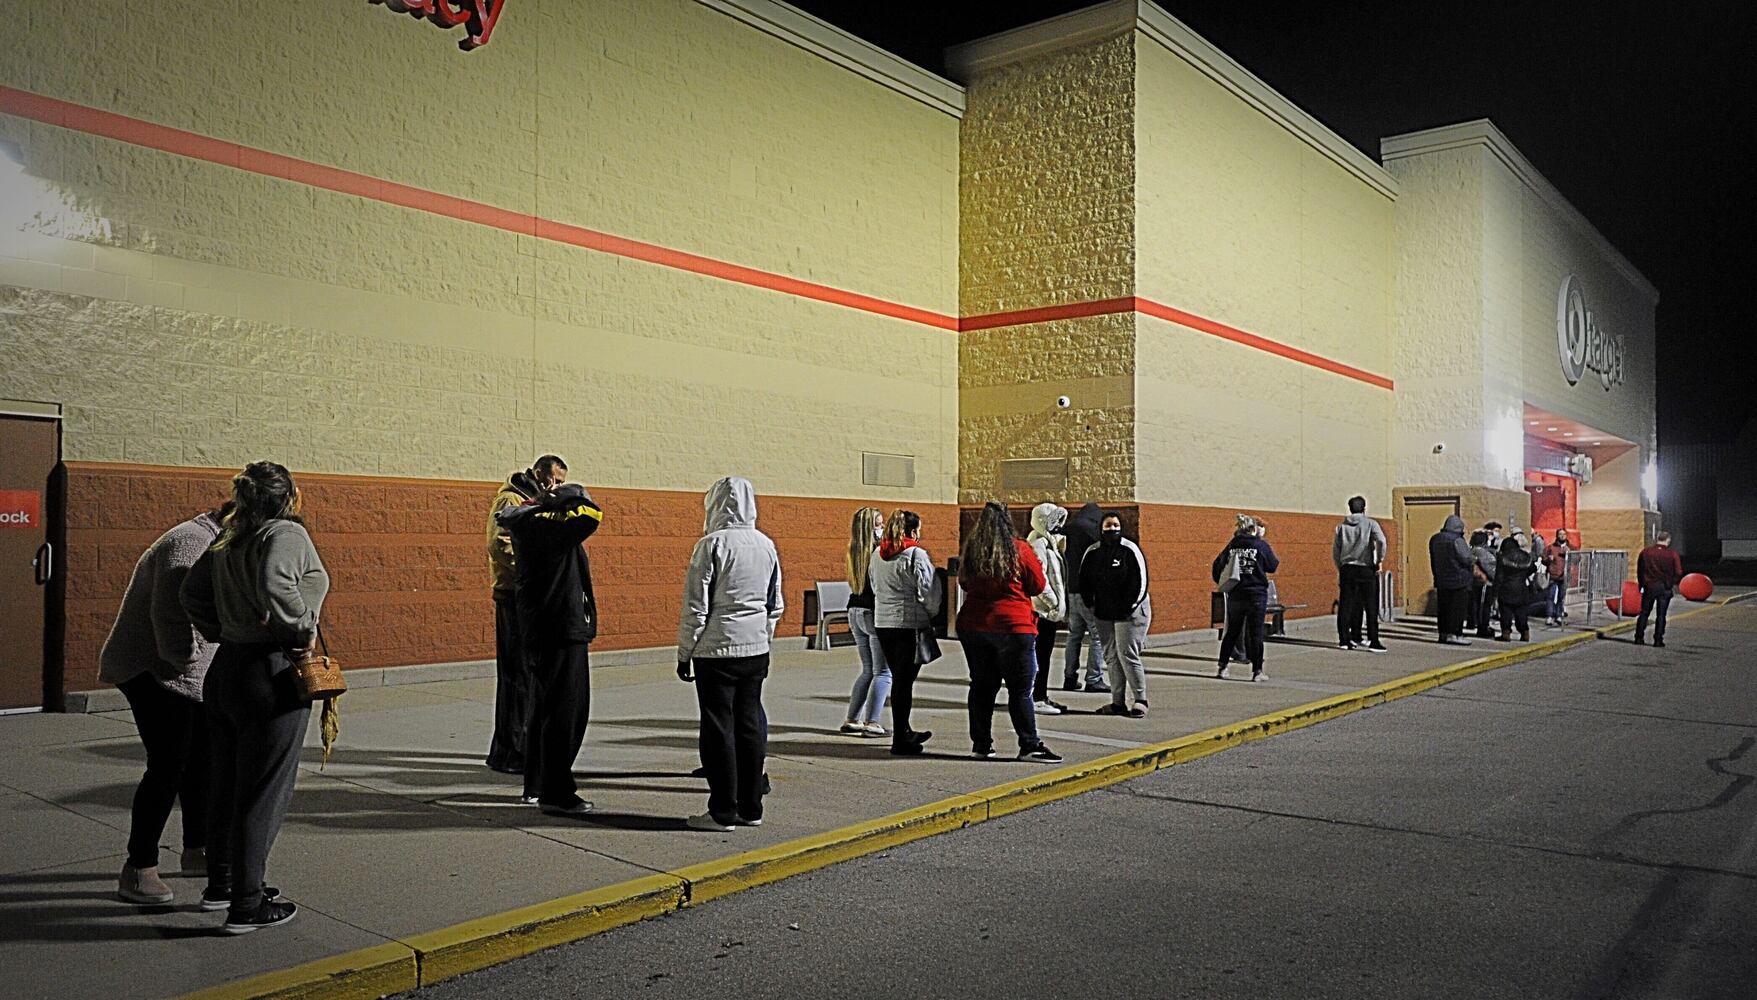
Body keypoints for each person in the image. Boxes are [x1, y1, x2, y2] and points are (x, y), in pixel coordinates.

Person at [180, 462, 327, 934]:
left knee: (226, 783)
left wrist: (218, 629)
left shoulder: (229, 537)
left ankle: (222, 884)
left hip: (227, 669)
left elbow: (191, 591)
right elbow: (275, 584)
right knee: (263, 791)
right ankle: (247, 903)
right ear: (289, 496)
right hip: (270, 671)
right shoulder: (284, 533)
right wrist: (302, 629)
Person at [101, 503, 230, 905]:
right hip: (149, 669)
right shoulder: (190, 542)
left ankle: (196, 850)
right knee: (167, 766)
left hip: (183, 672)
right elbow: (170, 615)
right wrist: (190, 662)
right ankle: (138, 869)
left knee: (201, 761)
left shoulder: (214, 541)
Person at [676, 477, 784, 831]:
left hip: (717, 650)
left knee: (719, 728)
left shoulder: (710, 546)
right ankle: (751, 808)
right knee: (750, 725)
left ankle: (723, 809)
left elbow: (696, 607)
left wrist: (685, 652)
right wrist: (762, 637)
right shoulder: (766, 545)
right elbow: (774, 603)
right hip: (755, 650)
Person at [496, 481, 603, 817]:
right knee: (565, 713)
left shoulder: (536, 524)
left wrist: (554, 501)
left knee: (546, 710)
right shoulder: (540, 525)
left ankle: (540, 784)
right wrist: (569, 496)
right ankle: (557, 791)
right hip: (557, 629)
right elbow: (590, 515)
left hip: (552, 628)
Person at [955, 502, 1062, 762]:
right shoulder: (1019, 549)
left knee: (981, 686)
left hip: (974, 624)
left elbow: (963, 582)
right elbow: (1037, 584)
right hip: (1014, 626)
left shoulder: (973, 551)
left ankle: (981, 744)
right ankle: (1029, 744)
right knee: (1021, 689)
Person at [485, 455, 568, 775]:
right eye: (552, 479)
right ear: (537, 473)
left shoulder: (538, 501)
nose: (555, 486)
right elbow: (499, 544)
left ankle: (514, 747)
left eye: (561, 482)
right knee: (515, 675)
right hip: (513, 595)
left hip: (528, 595)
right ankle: (509, 751)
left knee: (526, 675)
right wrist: (535, 571)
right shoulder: (511, 500)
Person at [869, 509, 943, 755]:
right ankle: (901, 737)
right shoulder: (915, 555)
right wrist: (930, 614)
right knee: (904, 681)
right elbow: (929, 591)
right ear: (912, 530)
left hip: (884, 622)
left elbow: (873, 586)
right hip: (908, 623)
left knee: (899, 679)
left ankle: (904, 731)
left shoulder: (877, 554)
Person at [1081, 512, 1153, 713]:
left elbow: (1140, 582)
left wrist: (1129, 606)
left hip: (1130, 613)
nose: (1112, 529)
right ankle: (1117, 702)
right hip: (1104, 613)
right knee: (1111, 656)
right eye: (1108, 525)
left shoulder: (1129, 550)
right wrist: (1091, 605)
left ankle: (1140, 700)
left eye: (1115, 525)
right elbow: (1085, 580)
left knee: (1127, 653)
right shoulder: (1093, 552)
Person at [839, 507, 889, 737]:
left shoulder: (854, 549)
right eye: (879, 524)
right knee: (883, 671)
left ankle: (852, 718)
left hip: (855, 610)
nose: (883, 527)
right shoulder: (878, 551)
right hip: (872, 611)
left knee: (867, 669)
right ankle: (872, 721)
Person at [1213, 514, 1279, 681]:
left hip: (1236, 593)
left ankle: (1223, 667)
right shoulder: (1260, 545)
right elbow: (1272, 565)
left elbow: (1217, 566)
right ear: (1254, 529)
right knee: (1255, 633)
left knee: (1232, 632)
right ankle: (1257, 671)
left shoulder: (1232, 545)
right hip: (1256, 593)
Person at [1059, 502, 1109, 693]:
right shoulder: (1094, 532)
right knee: (1097, 635)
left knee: (1074, 636)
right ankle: (1094, 678)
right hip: (1089, 591)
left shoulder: (1069, 529)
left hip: (1071, 589)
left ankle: (1069, 677)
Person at [1026, 503, 1070, 716]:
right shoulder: (1038, 543)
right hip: (1042, 611)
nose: (1058, 525)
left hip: (1049, 611)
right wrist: (1053, 603)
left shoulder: (1048, 542)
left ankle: (1041, 695)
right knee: (1040, 655)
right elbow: (1039, 579)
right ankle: (1035, 697)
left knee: (1045, 654)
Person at [1332, 495, 1387, 653]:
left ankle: (1344, 639)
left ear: (1350, 508)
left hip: (1347, 568)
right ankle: (1373, 640)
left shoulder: (1341, 526)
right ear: (1364, 508)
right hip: (1365, 567)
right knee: (1370, 605)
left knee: (1346, 604)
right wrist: (1379, 559)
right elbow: (1382, 541)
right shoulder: (1370, 524)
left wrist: (1341, 565)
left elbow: (1336, 550)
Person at [1427, 514, 1473, 645]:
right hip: (1459, 579)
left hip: (1441, 578)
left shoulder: (1435, 539)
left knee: (1443, 608)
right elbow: (1467, 558)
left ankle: (1443, 633)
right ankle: (1455, 634)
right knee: (1457, 609)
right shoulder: (1457, 540)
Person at [1635, 532, 1684, 647]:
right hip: (1664, 587)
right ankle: (1658, 639)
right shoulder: (1672, 554)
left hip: (1649, 586)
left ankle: (1639, 637)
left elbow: (1640, 570)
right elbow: (1678, 572)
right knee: (1661, 615)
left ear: (1657, 539)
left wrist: (1642, 584)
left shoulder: (1646, 552)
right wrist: (1670, 583)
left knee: (1644, 612)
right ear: (1668, 540)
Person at [1494, 531, 1537, 642]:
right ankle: (1525, 632)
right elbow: (1533, 568)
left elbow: (1499, 576)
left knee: (1506, 612)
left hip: (1506, 588)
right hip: (1522, 588)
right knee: (1521, 612)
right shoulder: (1526, 556)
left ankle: (1506, 633)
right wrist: (1523, 575)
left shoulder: (1502, 558)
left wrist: (1495, 590)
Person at [1468, 530, 1499, 640]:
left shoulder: (1470, 550)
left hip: (1474, 583)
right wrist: (1496, 578)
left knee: (1476, 604)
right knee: (1484, 606)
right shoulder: (1482, 552)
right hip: (1485, 583)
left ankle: (1475, 623)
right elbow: (1491, 568)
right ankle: (1483, 627)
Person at [1542, 529, 1572, 626]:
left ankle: (1559, 615)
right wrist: (1548, 559)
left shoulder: (1570, 548)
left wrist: (1570, 554)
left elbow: (1577, 559)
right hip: (1553, 575)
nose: (1562, 536)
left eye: (1564, 534)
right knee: (1550, 596)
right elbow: (1543, 559)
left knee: (1561, 597)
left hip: (1564, 576)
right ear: (1557, 535)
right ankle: (1549, 616)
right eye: (1560, 534)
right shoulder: (1551, 547)